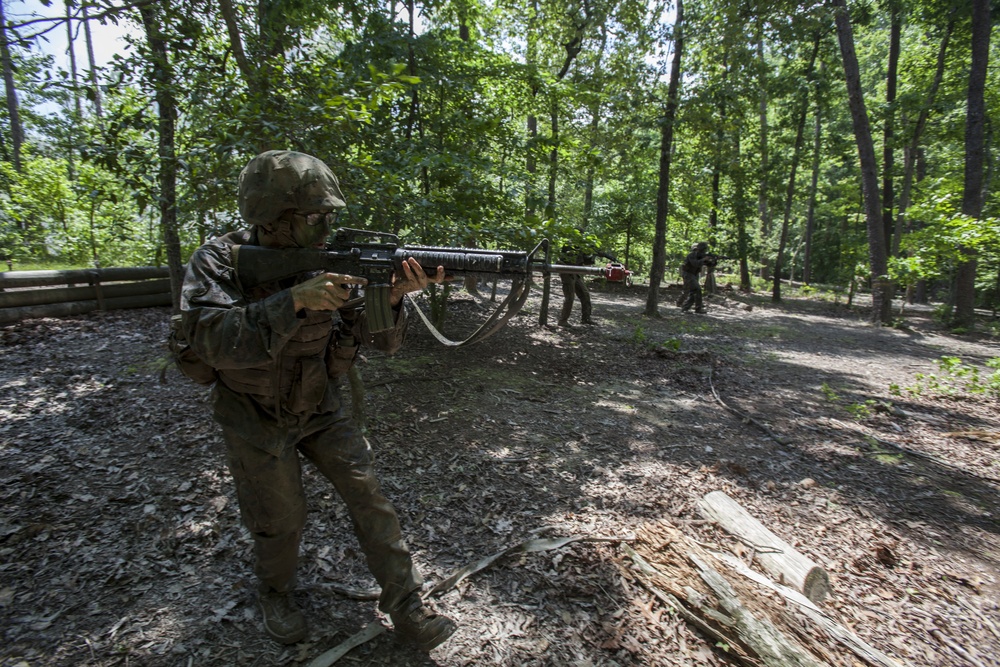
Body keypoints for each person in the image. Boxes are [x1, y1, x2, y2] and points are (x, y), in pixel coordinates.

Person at [178, 150, 456, 651]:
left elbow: (383, 344)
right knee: (279, 520)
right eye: (314, 216)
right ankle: (275, 592)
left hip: (320, 406)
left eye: (330, 215)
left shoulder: (335, 259)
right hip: (254, 414)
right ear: (270, 217)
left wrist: (391, 299)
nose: (327, 226)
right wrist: (295, 300)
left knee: (370, 501)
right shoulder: (219, 260)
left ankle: (408, 609)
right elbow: (208, 340)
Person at [679, 241, 713, 314]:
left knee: (693, 292)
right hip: (688, 274)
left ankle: (686, 308)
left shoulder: (702, 256)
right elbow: (695, 263)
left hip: (694, 274)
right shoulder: (691, 255)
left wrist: (713, 260)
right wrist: (704, 259)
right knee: (697, 289)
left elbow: (710, 265)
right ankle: (697, 308)